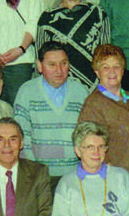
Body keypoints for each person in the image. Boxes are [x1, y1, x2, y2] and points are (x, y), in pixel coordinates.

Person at [13, 43, 88, 183]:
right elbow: (21, 135)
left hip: (75, 175)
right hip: (39, 176)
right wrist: (33, 173)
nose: (59, 70)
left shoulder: (80, 91)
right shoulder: (27, 91)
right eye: (52, 65)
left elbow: (87, 134)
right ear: (39, 66)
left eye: (63, 63)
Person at [77, 44, 129, 192]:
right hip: (116, 183)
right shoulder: (93, 104)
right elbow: (91, 150)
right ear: (97, 72)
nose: (112, 72)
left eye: (116, 66)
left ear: (122, 70)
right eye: (105, 67)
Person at [35, 0, 110, 90]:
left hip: (93, 84)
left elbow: (106, 53)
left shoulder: (98, 13)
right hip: (57, 84)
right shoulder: (47, 17)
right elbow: (40, 55)